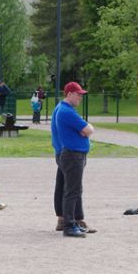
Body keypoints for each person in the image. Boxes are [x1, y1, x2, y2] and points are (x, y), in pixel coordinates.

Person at [51, 99, 95, 235]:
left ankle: (65, 219)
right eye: (78, 94)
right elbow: (88, 129)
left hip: (62, 151)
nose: (81, 98)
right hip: (68, 152)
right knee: (73, 189)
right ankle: (71, 222)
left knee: (64, 186)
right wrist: (84, 131)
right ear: (69, 94)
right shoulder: (66, 111)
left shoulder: (59, 108)